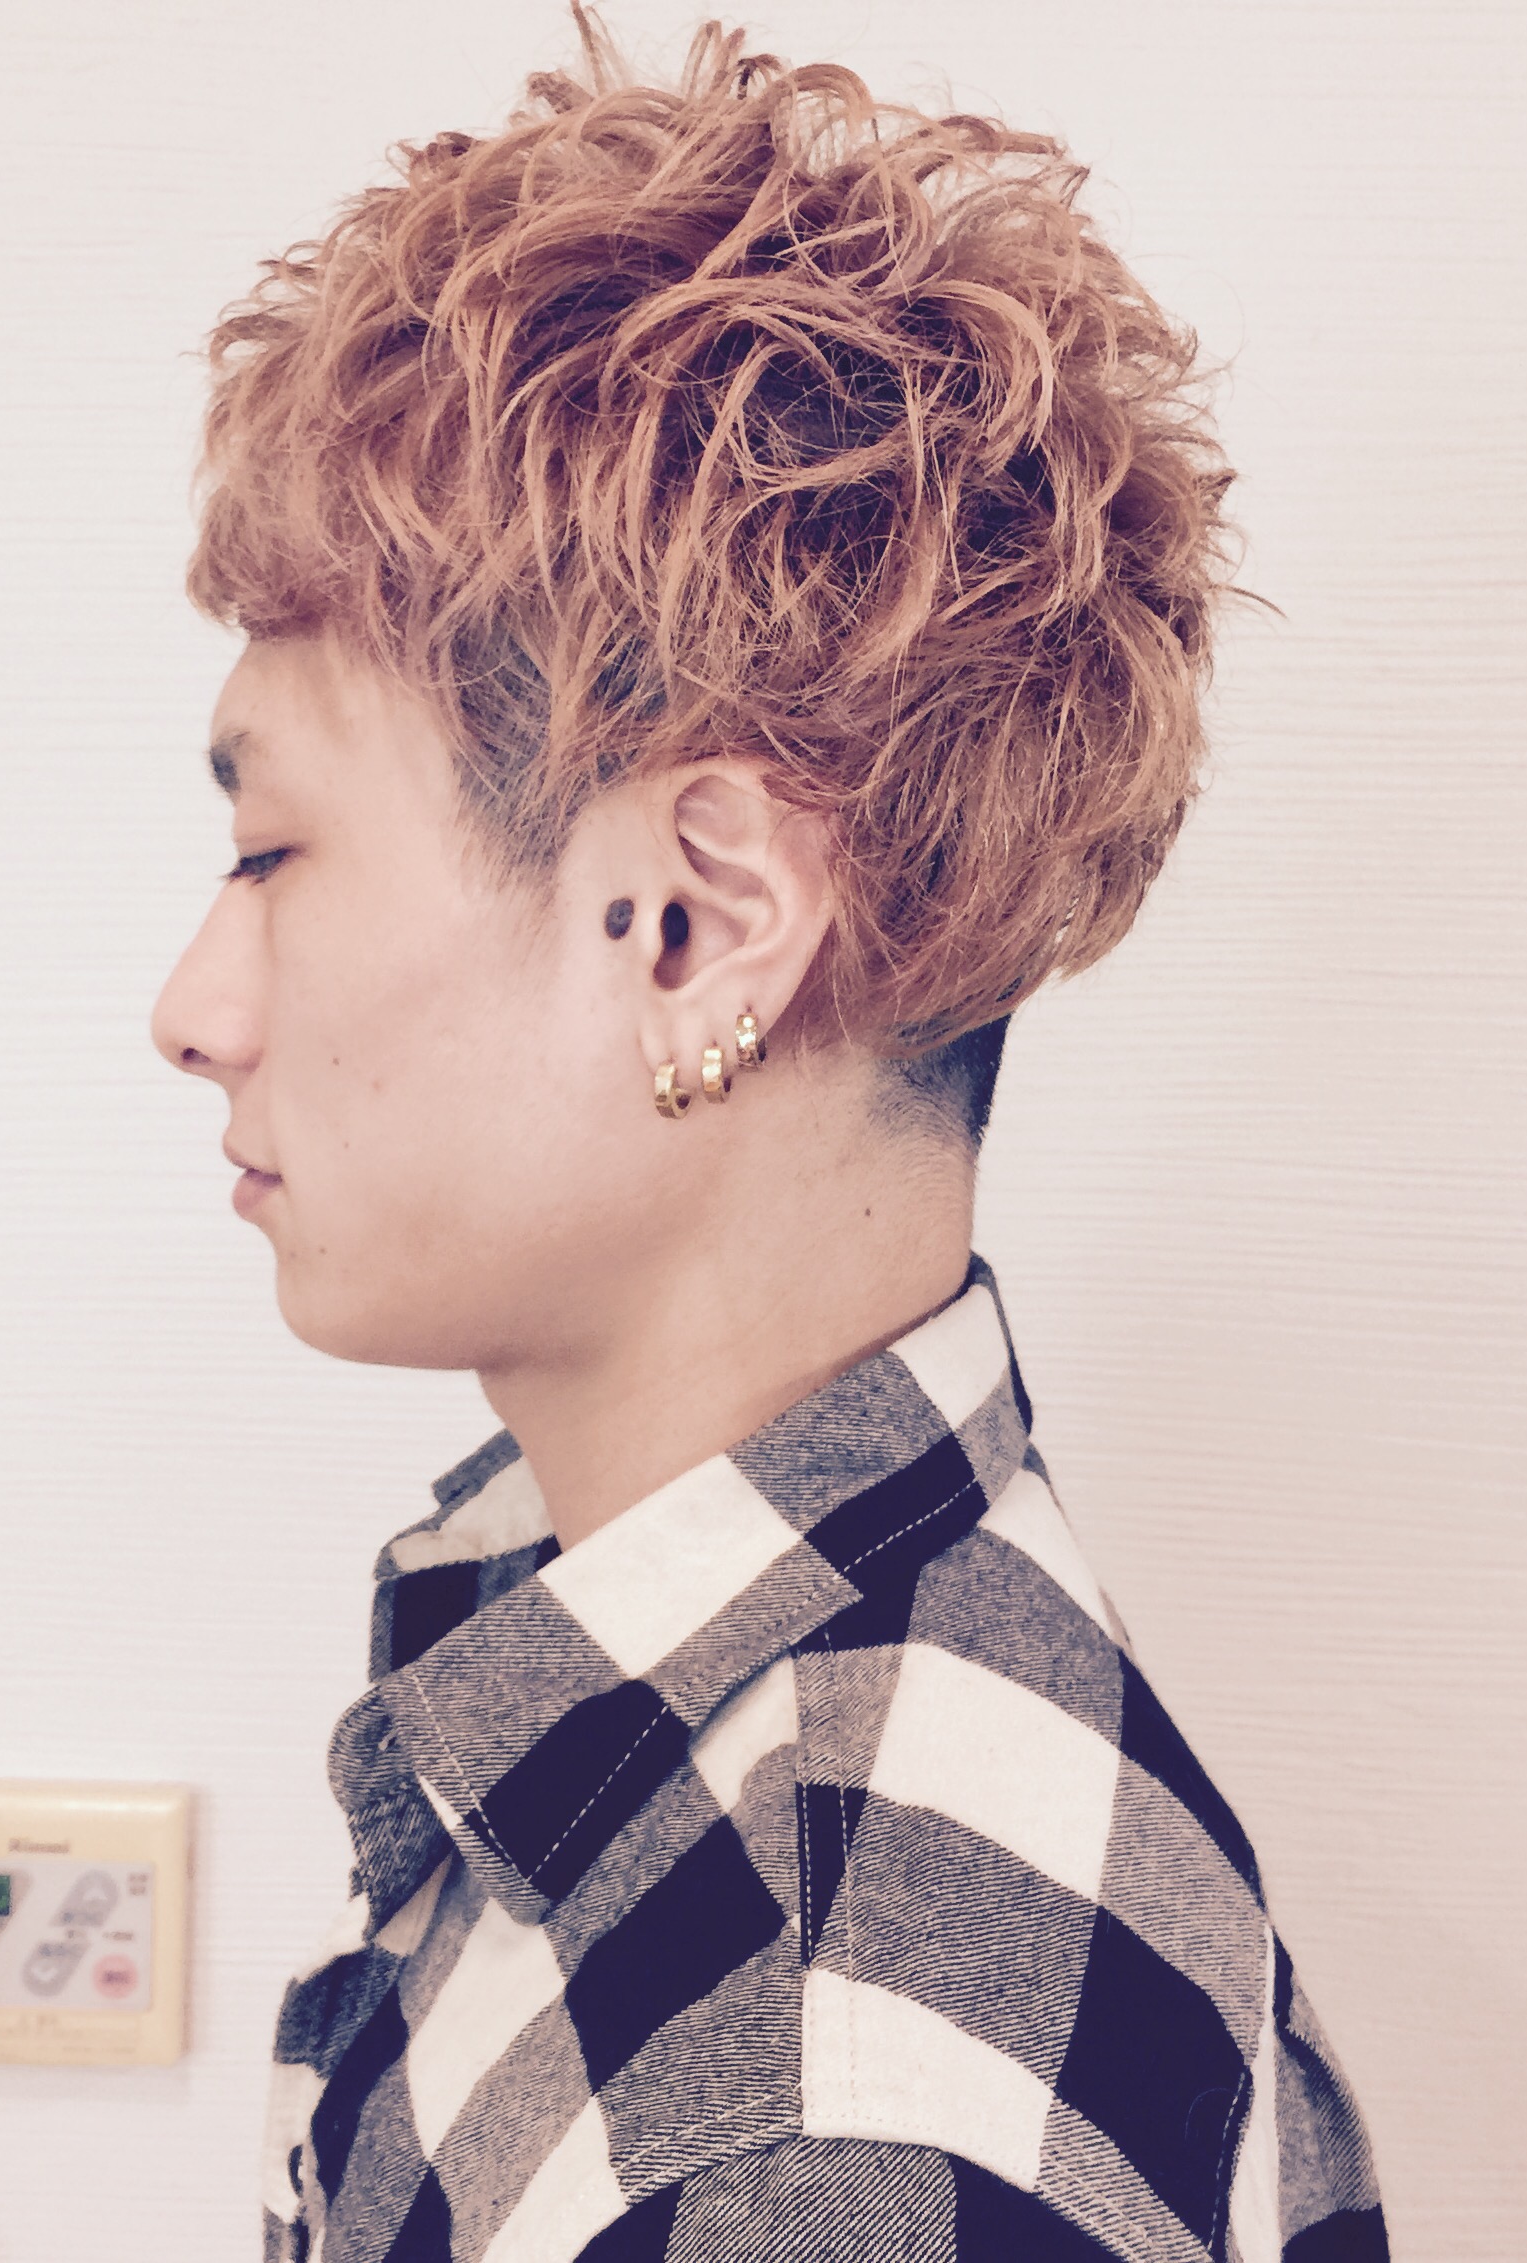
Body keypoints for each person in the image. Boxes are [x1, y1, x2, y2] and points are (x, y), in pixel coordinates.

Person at [151, 12, 1388, 2259]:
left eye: (273, 855)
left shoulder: (828, 2145)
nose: (193, 1011)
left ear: (699, 925)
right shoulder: (690, 1669)